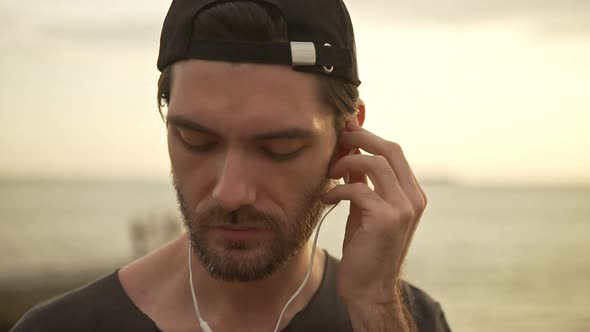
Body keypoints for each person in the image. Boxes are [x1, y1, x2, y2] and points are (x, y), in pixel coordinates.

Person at [12, 0, 452, 331]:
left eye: (278, 147)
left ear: (346, 139)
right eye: (196, 140)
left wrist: (375, 311)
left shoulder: (407, 320)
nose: (231, 192)